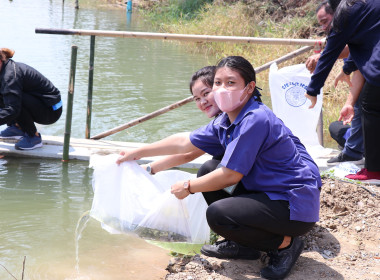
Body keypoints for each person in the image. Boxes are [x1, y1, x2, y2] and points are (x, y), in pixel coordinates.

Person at [117, 56, 321, 279]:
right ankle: (244, 244)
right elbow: (184, 142)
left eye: (230, 83)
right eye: (218, 83)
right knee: (208, 169)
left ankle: (285, 245)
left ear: (249, 87)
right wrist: (136, 154)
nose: (222, 89)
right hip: (270, 192)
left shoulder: (255, 119)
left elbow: (230, 175)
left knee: (218, 215)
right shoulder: (226, 120)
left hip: (294, 206)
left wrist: (188, 185)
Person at [305, 0, 380, 181]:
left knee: (369, 106)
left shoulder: (345, 11)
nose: (323, 27)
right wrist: (346, 71)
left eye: (325, 21)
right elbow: (365, 46)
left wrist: (312, 90)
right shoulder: (367, 6)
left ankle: (373, 171)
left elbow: (331, 52)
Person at [0, 48, 62, 150]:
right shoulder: (4, 68)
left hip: (51, 110)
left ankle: (33, 136)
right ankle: (17, 127)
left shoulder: (10, 75)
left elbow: (12, 110)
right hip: (37, 102)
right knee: (10, 97)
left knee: (15, 103)